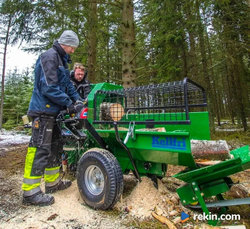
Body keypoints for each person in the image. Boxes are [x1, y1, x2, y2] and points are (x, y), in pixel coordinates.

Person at [22, 30, 83, 206]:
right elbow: (49, 87)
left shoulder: (61, 60)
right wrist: (68, 103)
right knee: (40, 149)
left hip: (54, 113)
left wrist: (78, 102)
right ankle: (30, 193)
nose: (73, 51)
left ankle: (52, 183)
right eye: (73, 47)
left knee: (56, 147)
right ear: (66, 43)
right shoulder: (49, 57)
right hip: (42, 111)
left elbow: (67, 86)